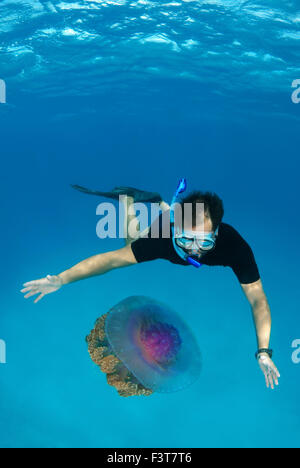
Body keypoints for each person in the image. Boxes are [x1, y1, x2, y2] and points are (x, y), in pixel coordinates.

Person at [21, 180, 280, 390]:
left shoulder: (234, 246)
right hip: (166, 230)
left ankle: (156, 202)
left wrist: (264, 351)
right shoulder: (164, 237)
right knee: (130, 247)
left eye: (205, 243)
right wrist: (62, 279)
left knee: (141, 238)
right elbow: (110, 261)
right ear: (177, 230)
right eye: (188, 240)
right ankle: (133, 200)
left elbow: (257, 298)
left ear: (217, 234)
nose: (195, 250)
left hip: (175, 222)